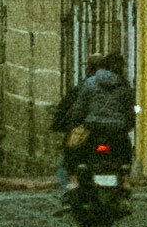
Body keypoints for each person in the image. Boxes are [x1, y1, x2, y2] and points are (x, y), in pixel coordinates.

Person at [51, 49, 134, 188]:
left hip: (92, 127)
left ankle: (74, 180)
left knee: (74, 150)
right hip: (117, 129)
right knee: (125, 150)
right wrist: (131, 120)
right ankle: (125, 179)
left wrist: (76, 122)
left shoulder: (89, 83)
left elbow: (79, 108)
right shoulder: (124, 86)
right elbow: (134, 108)